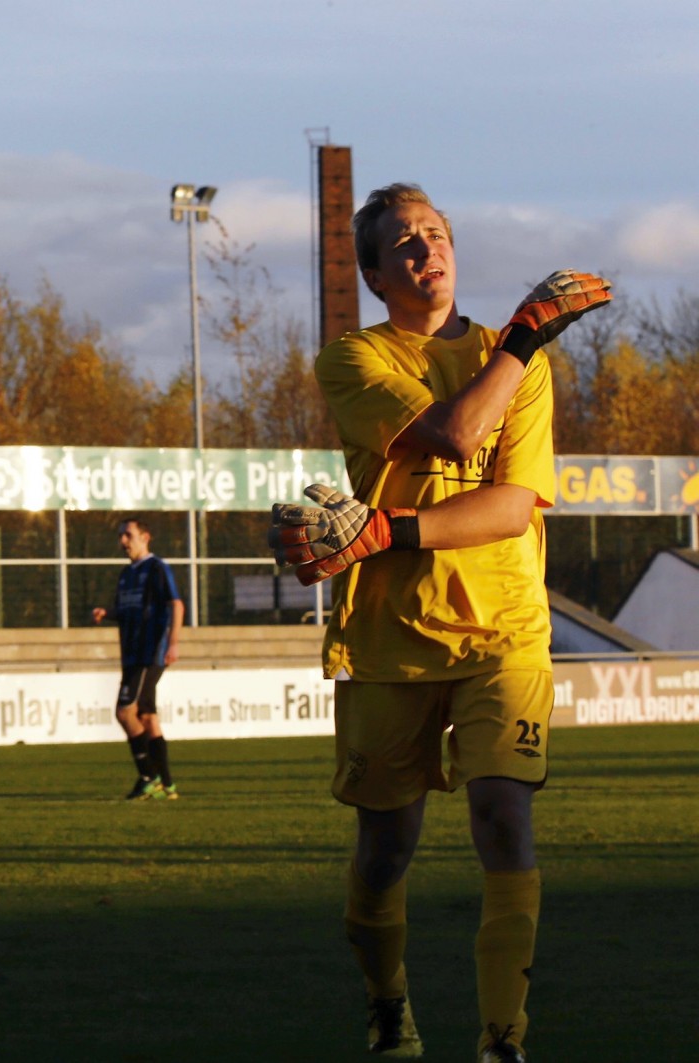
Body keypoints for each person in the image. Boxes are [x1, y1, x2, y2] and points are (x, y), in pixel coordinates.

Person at [269, 183, 611, 1063]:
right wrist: (530, 336)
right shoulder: (353, 359)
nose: (427, 252)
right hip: (390, 635)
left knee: (504, 813)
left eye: (437, 235)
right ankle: (389, 1003)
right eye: (405, 245)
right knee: (387, 847)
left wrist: (385, 528)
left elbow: (509, 508)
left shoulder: (515, 360)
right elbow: (459, 436)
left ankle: (505, 1037)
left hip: (504, 625)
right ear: (378, 276)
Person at [90, 517, 183, 800]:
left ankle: (147, 775)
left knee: (124, 712)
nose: (123, 541)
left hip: (149, 652)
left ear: (145, 537)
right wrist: (108, 614)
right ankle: (167, 784)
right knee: (146, 716)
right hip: (130, 653)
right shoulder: (125, 574)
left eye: (128, 535)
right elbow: (129, 610)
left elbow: (176, 604)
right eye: (121, 536)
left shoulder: (156, 568)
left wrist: (173, 643)